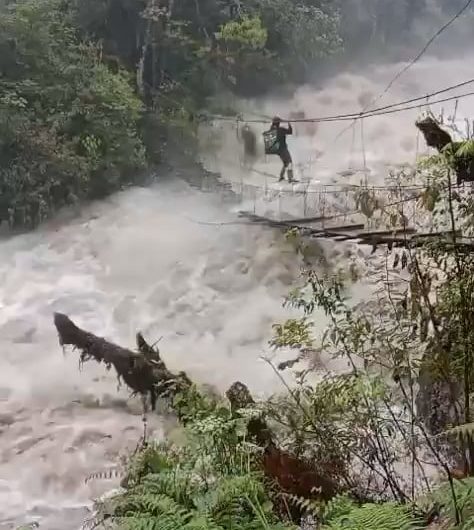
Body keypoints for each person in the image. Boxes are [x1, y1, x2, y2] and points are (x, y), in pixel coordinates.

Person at [270, 116, 294, 182]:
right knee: (289, 163)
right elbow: (290, 131)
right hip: (283, 149)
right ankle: (290, 178)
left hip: (278, 150)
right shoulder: (281, 130)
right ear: (278, 123)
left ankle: (281, 176)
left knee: (285, 163)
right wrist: (289, 123)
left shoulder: (272, 130)